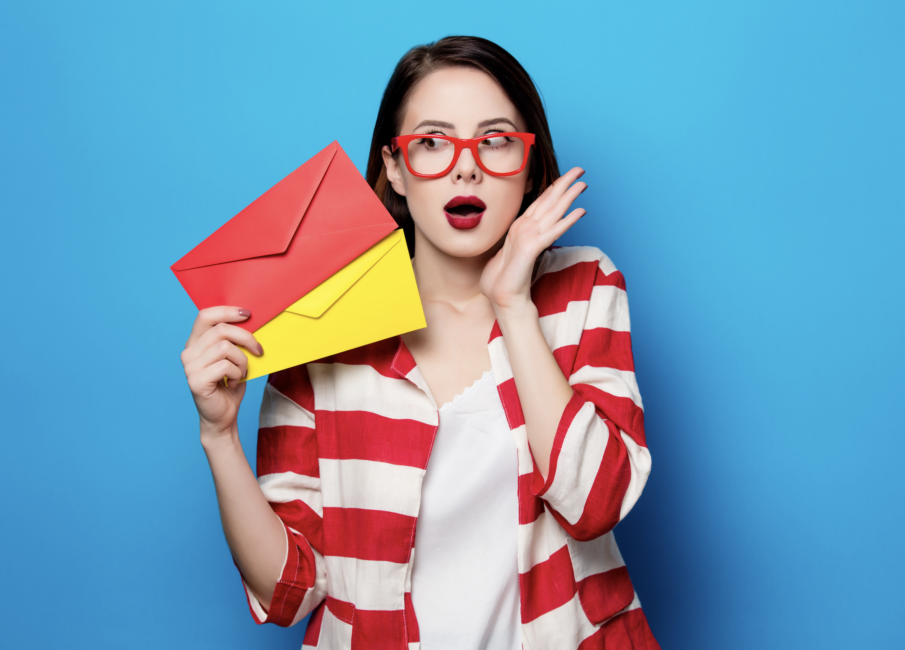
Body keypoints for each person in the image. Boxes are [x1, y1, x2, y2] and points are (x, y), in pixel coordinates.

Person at [180, 36, 658, 649]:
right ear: (396, 169)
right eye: (431, 142)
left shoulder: (584, 286)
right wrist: (218, 437)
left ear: (531, 165)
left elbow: (596, 504)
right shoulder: (323, 324)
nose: (466, 166)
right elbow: (288, 592)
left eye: (496, 140)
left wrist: (512, 302)